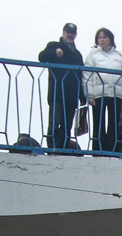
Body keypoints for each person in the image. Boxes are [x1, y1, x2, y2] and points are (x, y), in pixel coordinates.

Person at [83, 28, 122, 153]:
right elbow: (86, 75)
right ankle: (97, 149)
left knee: (113, 123)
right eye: (99, 37)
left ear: (110, 39)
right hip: (99, 93)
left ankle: (112, 149)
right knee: (98, 122)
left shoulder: (118, 56)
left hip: (115, 94)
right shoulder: (93, 55)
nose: (102, 40)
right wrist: (90, 95)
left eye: (105, 37)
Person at [38, 23, 84, 151]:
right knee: (54, 123)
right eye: (68, 32)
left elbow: (80, 76)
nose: (70, 35)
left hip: (71, 95)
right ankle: (52, 148)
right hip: (57, 93)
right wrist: (54, 53)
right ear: (63, 33)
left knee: (66, 125)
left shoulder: (77, 54)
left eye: (72, 33)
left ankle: (63, 148)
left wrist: (82, 96)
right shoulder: (54, 46)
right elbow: (41, 57)